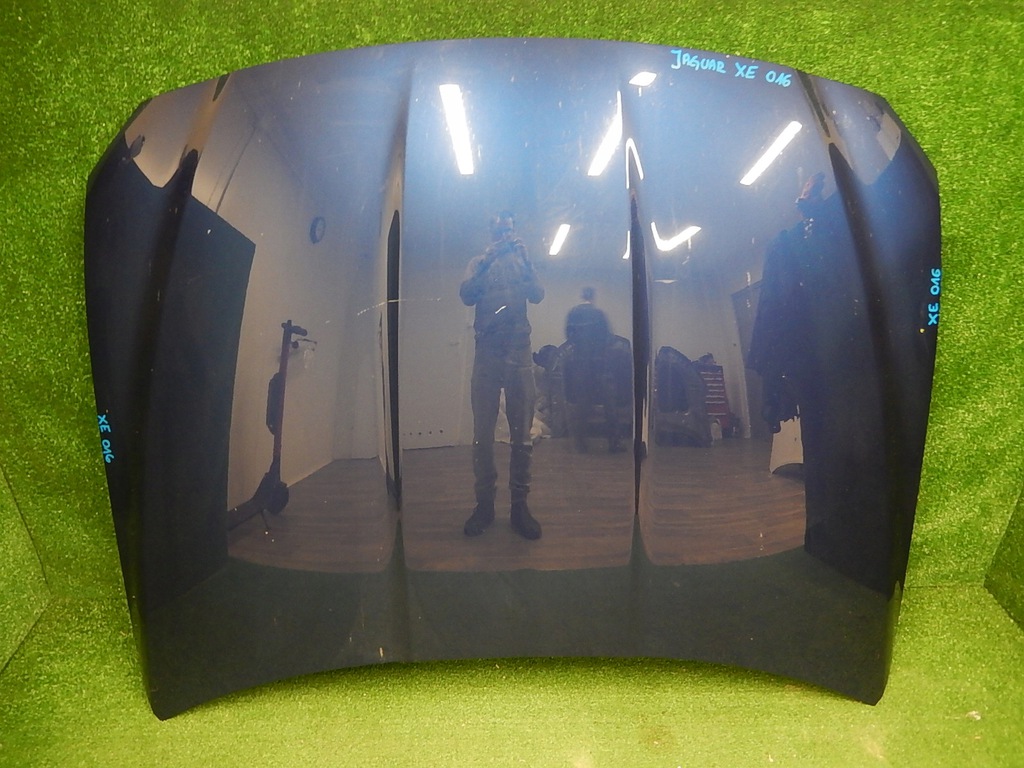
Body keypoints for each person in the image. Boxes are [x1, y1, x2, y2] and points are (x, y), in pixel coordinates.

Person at [459, 211, 545, 539]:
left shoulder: (523, 262)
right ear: (489, 232)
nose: (503, 236)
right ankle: (484, 505)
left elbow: (537, 294)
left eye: (507, 230)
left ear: (514, 231)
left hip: (519, 351)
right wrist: (487, 260)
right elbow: (467, 295)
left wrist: (526, 261)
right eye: (497, 230)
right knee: (482, 434)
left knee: (522, 435)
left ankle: (519, 507)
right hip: (487, 353)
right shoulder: (477, 262)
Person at [564, 287, 622, 452]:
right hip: (599, 364)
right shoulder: (599, 314)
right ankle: (614, 443)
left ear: (582, 296)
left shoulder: (573, 314)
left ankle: (580, 443)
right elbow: (608, 338)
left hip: (580, 365)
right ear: (593, 296)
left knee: (582, 405)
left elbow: (569, 337)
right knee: (610, 404)